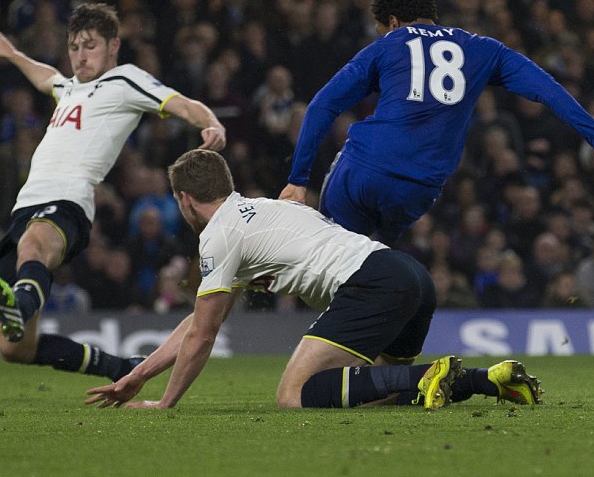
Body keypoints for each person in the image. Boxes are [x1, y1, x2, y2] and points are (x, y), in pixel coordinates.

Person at [86, 149, 542, 410]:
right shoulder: (268, 210)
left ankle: (429, 374)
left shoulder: (218, 236)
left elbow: (203, 334)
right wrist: (138, 375)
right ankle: (488, 379)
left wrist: (166, 402)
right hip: (409, 275)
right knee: (380, 392)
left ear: (184, 199)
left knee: (294, 394)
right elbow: (199, 322)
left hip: (370, 283)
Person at [0, 3, 226, 382]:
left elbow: (181, 103)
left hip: (67, 202)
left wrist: (211, 123)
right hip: (23, 208)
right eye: (74, 47)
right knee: (14, 349)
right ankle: (120, 367)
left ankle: (20, 302)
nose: (80, 55)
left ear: (113, 46)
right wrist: (13, 55)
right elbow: (45, 77)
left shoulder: (125, 81)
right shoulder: (68, 88)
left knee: (33, 248)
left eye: (90, 45)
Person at [279, 0, 594, 244]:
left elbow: (323, 104)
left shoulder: (389, 44)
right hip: (420, 189)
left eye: (382, 28)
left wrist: (298, 180)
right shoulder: (484, 49)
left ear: (394, 22)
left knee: (328, 250)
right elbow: (549, 91)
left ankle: (281, 271)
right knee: (369, 266)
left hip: (365, 170)